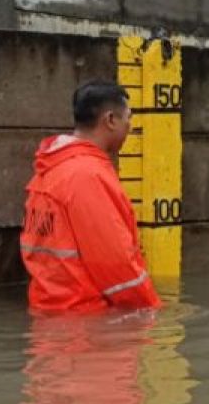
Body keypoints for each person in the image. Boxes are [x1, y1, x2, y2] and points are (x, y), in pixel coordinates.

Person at [20, 81, 161, 313]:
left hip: (51, 317)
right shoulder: (87, 175)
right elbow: (117, 268)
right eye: (129, 117)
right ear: (111, 120)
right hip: (89, 324)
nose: (130, 126)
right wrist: (154, 315)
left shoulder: (50, 169)